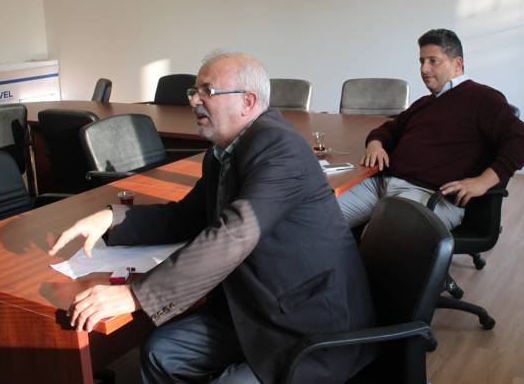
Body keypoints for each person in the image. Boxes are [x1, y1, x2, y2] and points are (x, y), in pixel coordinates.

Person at [49, 52, 376, 384]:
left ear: (247, 102)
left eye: (207, 91)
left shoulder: (280, 149)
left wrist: (135, 296)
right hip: (255, 309)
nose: (194, 100)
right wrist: (111, 219)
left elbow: (232, 235)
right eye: (194, 91)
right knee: (161, 352)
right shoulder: (223, 152)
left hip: (306, 326)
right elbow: (186, 217)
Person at [338, 29, 524, 230]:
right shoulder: (425, 103)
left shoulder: (484, 98)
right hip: (381, 184)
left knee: (377, 238)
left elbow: (522, 141)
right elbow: (389, 129)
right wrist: (375, 145)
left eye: (433, 61)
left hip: (429, 194)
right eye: (421, 61)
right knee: (320, 219)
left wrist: (483, 182)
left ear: (457, 63)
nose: (424, 69)